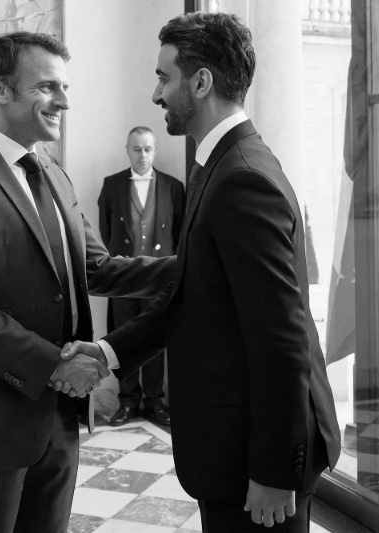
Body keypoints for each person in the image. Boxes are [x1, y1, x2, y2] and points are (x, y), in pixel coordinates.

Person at [58, 12, 341, 532]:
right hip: (233, 453)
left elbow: (283, 338)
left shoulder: (241, 180)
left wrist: (275, 470)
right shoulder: (221, 166)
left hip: (255, 463)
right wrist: (107, 353)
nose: (156, 93)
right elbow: (195, 296)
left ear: (202, 81)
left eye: (164, 77)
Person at [0, 32, 175, 533]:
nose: (65, 102)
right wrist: (54, 365)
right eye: (48, 87)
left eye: (65, 87)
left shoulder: (55, 174)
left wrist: (195, 264)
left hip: (57, 422)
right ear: (1, 90)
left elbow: (97, 269)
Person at [98, 126, 185, 426]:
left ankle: (154, 402)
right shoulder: (112, 186)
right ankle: (128, 402)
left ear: (155, 150)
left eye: (148, 149)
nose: (143, 155)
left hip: (161, 280)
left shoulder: (174, 188)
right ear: (127, 150)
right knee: (124, 337)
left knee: (155, 339)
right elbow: (106, 233)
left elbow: (178, 235)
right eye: (137, 149)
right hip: (123, 280)